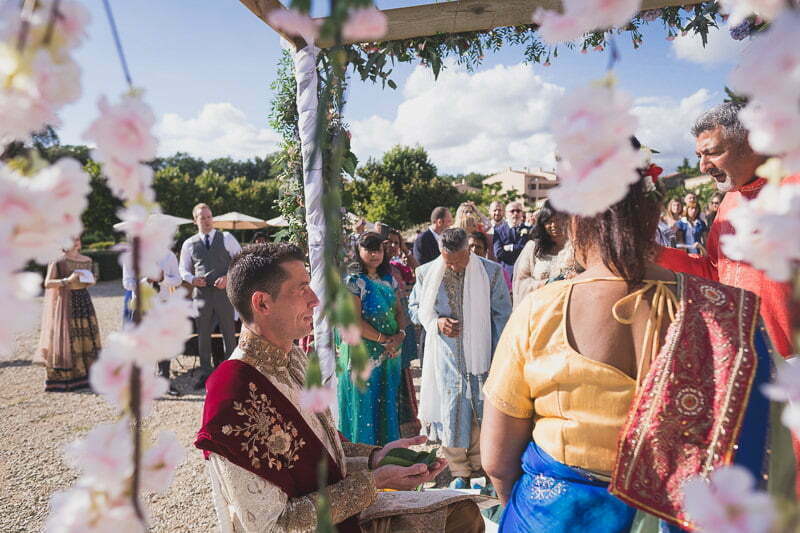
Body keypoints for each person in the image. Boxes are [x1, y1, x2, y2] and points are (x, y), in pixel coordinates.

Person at [481, 162, 795, 533]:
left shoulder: (540, 309)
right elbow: (766, 450)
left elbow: (497, 460)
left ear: (575, 220)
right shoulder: (725, 310)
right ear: (652, 215)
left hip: (557, 518)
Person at [195, 243, 485, 533]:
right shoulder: (233, 394)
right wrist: (375, 482)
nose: (315, 300)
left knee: (463, 513)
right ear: (262, 304)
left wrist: (378, 456)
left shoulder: (290, 357)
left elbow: (325, 452)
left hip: (343, 514)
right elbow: (275, 525)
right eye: (302, 288)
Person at [658, 102, 800, 359]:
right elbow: (716, 271)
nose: (703, 166)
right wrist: (654, 255)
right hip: (748, 363)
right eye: (699, 156)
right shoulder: (729, 202)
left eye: (711, 153)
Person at [409, 228, 511, 489]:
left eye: (458, 259)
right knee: (452, 408)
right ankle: (459, 471)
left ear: (469, 250)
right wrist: (437, 322)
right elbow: (415, 309)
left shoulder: (490, 272)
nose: (452, 266)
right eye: (447, 260)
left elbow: (502, 315)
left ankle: (481, 467)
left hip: (483, 355)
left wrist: (499, 355)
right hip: (446, 356)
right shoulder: (427, 273)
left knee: (481, 408)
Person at [338, 232, 408, 446]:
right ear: (358, 252)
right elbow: (354, 323)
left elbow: (399, 313)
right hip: (363, 356)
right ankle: (364, 466)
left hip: (388, 355)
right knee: (364, 409)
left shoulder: (389, 280)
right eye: (368, 249)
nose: (374, 254)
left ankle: (389, 462)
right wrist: (384, 339)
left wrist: (399, 336)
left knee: (385, 407)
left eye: (378, 249)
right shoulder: (353, 281)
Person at [179, 203, 242, 389]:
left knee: (229, 334)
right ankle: (206, 372)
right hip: (201, 295)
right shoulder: (189, 244)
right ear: (195, 220)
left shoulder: (227, 238)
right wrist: (191, 279)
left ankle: (231, 373)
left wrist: (228, 277)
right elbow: (183, 268)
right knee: (203, 335)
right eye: (202, 217)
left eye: (209, 217)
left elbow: (240, 261)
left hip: (224, 294)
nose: (206, 221)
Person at [35, 237, 101, 392]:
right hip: (65, 302)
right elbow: (47, 283)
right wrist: (67, 280)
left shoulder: (87, 260)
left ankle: (90, 376)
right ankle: (68, 379)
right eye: (73, 239)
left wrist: (90, 282)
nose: (77, 242)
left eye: (78, 239)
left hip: (83, 300)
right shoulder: (58, 260)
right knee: (69, 337)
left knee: (88, 336)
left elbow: (88, 281)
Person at [122, 249, 183, 396]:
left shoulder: (168, 255)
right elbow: (127, 283)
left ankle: (164, 382)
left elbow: (178, 280)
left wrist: (162, 279)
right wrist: (147, 280)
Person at [385, 229, 421, 435]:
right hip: (385, 330)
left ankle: (405, 424)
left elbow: (419, 270)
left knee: (402, 370)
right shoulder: (375, 270)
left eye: (396, 243)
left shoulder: (398, 267)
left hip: (402, 326)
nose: (392, 246)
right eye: (388, 242)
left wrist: (405, 251)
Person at [511, 201, 576, 306]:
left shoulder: (577, 248)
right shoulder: (533, 248)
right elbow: (520, 285)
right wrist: (546, 283)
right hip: (538, 311)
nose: (554, 225)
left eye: (559, 220)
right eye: (549, 221)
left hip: (569, 310)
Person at [492, 201, 531, 290]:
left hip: (525, 273)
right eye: (512, 211)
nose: (515, 213)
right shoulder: (498, 231)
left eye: (518, 211)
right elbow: (498, 253)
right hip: (506, 272)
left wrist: (511, 247)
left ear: (522, 213)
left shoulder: (529, 231)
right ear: (506, 214)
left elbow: (529, 250)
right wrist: (519, 250)